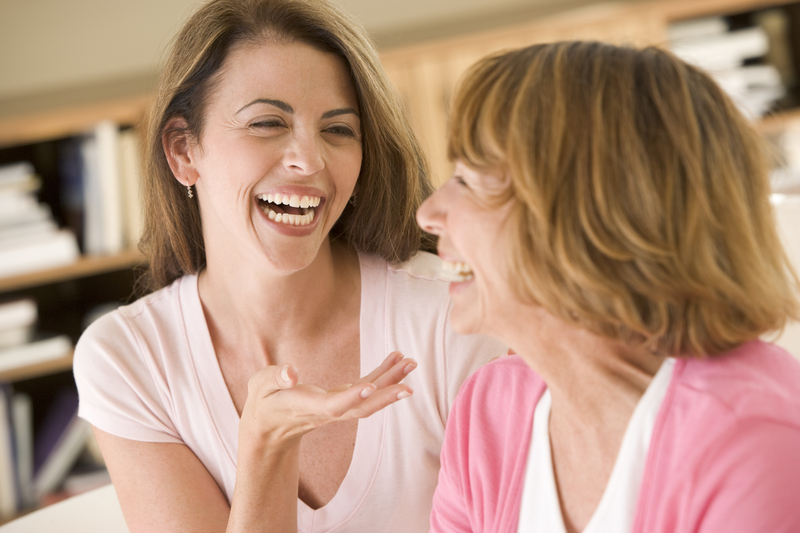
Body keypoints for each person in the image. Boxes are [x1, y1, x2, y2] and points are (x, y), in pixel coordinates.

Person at [72, 0, 506, 531]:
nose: (310, 160)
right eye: (267, 123)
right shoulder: (129, 360)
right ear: (184, 151)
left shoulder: (452, 314)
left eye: (338, 130)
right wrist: (266, 446)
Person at [417, 41, 800, 533]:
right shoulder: (488, 411)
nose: (427, 214)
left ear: (584, 215)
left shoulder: (753, 438)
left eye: (468, 181)